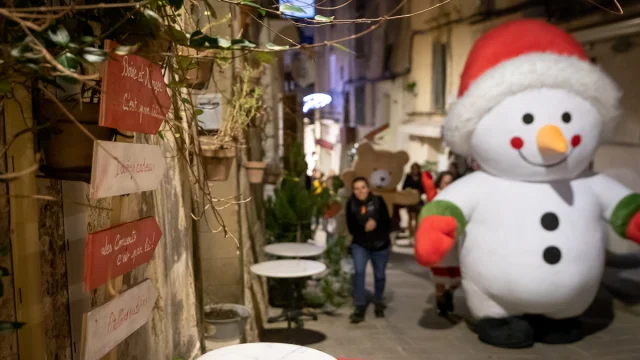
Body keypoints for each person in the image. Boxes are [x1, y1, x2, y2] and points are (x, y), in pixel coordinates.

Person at [346, 176, 392, 323]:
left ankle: (378, 302)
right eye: (357, 189)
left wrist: (376, 223)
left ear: (368, 188)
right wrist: (363, 228)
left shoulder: (378, 201)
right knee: (359, 273)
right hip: (360, 245)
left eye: (363, 187)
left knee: (379, 275)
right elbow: (351, 227)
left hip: (380, 245)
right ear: (353, 191)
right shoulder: (350, 204)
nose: (361, 191)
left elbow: (388, 223)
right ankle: (360, 306)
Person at [422, 171, 458, 316]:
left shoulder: (459, 197)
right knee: (440, 277)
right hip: (439, 242)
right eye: (445, 182)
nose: (448, 185)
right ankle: (440, 303)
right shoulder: (435, 197)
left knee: (456, 277)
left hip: (455, 241)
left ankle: (448, 294)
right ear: (440, 183)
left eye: (450, 182)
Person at [402, 163, 425, 238]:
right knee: (410, 217)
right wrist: (409, 191)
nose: (415, 170)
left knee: (418, 217)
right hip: (410, 200)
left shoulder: (422, 177)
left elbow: (424, 188)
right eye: (413, 169)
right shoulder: (408, 177)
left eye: (416, 168)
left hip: (419, 199)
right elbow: (404, 187)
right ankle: (410, 233)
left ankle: (416, 234)